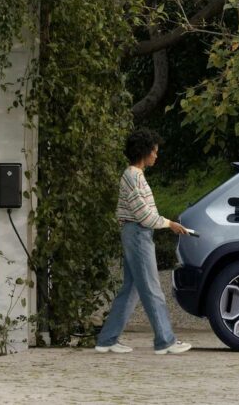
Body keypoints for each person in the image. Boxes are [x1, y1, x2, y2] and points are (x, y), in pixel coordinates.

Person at [95, 128, 193, 355]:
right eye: (155, 151)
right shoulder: (132, 176)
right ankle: (165, 341)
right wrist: (170, 224)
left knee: (131, 288)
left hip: (136, 233)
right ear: (145, 152)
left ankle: (107, 340)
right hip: (138, 234)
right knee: (152, 288)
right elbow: (143, 215)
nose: (156, 156)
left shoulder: (135, 175)